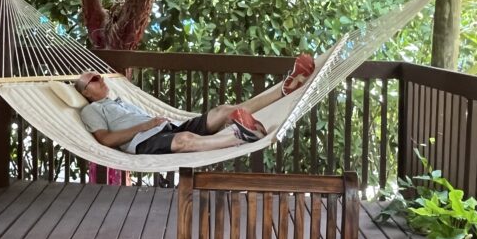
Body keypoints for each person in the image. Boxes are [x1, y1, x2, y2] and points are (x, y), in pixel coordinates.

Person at [75, 53, 316, 155]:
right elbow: (105, 139)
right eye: (93, 80)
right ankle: (240, 137)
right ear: (86, 93)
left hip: (164, 127)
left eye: (99, 75)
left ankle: (283, 90)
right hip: (143, 141)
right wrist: (145, 126)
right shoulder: (91, 110)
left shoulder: (118, 100)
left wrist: (155, 123)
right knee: (185, 141)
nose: (99, 79)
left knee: (223, 110)